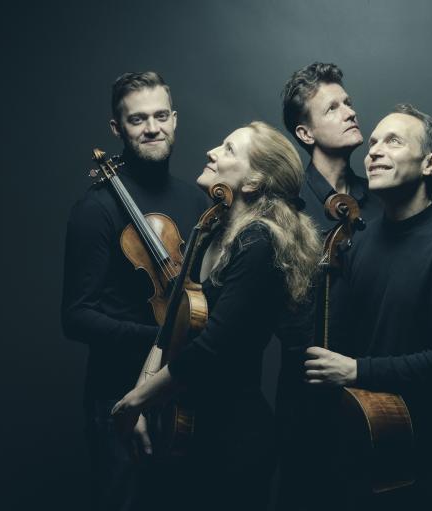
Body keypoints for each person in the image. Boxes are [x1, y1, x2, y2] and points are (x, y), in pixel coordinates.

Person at [110, 121, 321, 509]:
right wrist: (140, 401)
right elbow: (168, 328)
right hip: (186, 427)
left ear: (254, 181)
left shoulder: (258, 243)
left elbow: (213, 349)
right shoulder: (209, 231)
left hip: (233, 440)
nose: (212, 152)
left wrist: (138, 400)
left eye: (228, 149)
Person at [304, 104, 432, 509]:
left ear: (429, 163)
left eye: (393, 141)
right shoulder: (357, 241)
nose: (373, 152)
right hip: (360, 438)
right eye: (372, 143)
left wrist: (357, 370)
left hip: (426, 450)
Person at [61, 71, 209, 510]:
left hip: (184, 388)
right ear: (117, 128)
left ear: (175, 119)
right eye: (137, 119)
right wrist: (163, 339)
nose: (151, 128)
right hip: (118, 392)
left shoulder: (196, 201)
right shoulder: (96, 209)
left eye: (161, 115)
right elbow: (76, 315)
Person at [276, 62, 381, 510]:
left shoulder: (378, 198)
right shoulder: (286, 206)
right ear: (305, 133)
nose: (350, 112)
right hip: (308, 398)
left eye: (349, 103)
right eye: (333, 107)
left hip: (375, 386)